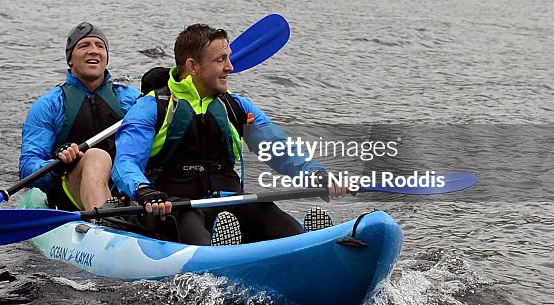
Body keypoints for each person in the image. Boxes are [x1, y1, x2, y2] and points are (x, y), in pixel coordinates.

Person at [111, 22, 343, 245]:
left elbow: (279, 149)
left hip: (229, 202)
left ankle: (308, 242)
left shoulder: (236, 107)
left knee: (265, 210)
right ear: (193, 67)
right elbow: (125, 162)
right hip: (173, 209)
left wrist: (316, 174)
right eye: (221, 60)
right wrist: (144, 190)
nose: (230, 67)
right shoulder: (152, 107)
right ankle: (220, 256)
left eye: (229, 58)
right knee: (189, 221)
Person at [19, 22, 140, 210]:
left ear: (106, 57)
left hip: (122, 189)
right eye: (84, 46)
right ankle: (107, 220)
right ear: (70, 60)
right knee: (96, 156)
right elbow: (28, 166)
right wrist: (58, 165)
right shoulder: (49, 105)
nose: (94, 51)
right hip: (69, 194)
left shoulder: (131, 99)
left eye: (100, 46)